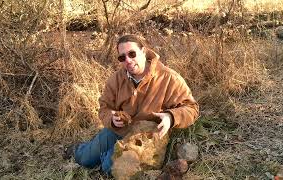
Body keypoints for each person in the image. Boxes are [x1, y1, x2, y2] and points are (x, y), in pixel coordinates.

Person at [64, 34, 199, 174]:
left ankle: (103, 157)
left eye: (132, 54)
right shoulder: (116, 79)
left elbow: (192, 108)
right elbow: (104, 107)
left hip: (144, 140)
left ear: (144, 51)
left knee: (108, 168)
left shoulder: (169, 77)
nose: (128, 60)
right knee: (85, 160)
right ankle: (81, 149)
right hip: (118, 131)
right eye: (122, 57)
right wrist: (111, 118)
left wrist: (170, 117)